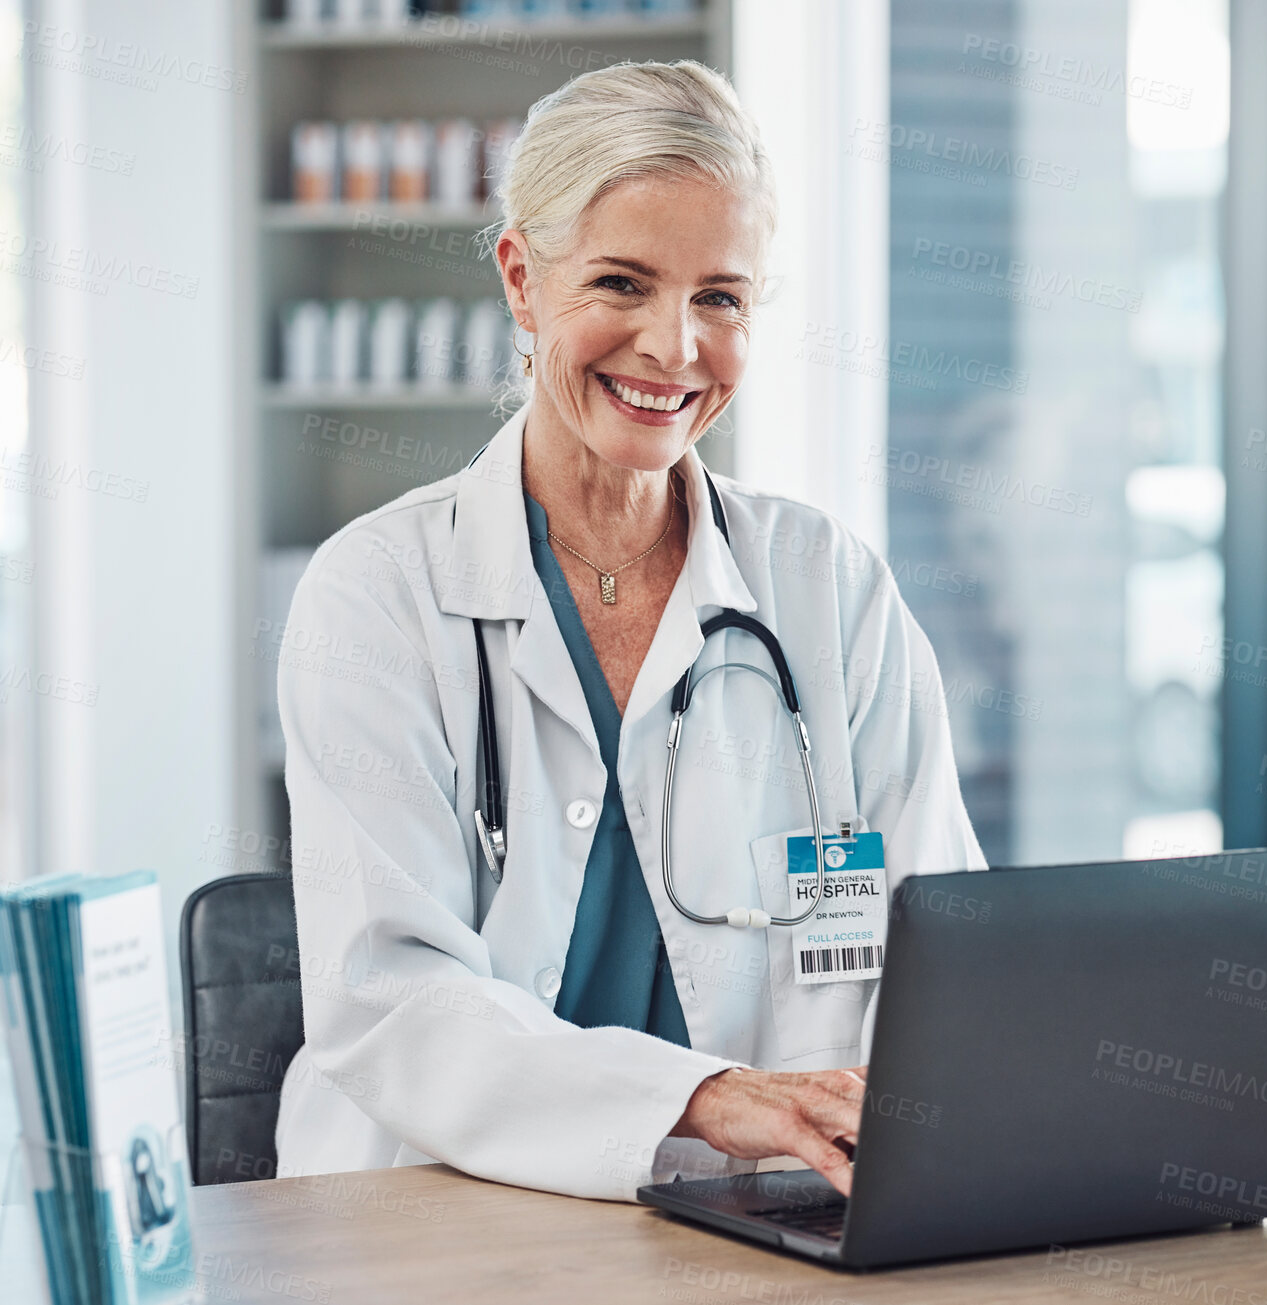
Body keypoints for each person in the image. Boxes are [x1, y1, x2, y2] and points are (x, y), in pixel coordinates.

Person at [274, 58, 985, 1202]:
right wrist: (705, 1098)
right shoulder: (379, 593)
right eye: (620, 283)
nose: (672, 346)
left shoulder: (828, 589)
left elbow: (943, 953)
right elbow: (394, 1004)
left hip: (758, 1215)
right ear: (520, 277)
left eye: (720, 297)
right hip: (435, 1215)